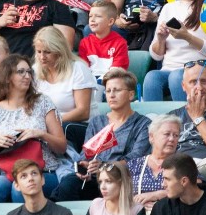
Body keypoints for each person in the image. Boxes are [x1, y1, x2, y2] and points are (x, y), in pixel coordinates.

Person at [0, 56, 68, 202]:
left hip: (42, 172)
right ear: (7, 77)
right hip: (7, 172)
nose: (27, 76)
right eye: (21, 72)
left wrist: (40, 134)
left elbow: (61, 147)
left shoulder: (43, 102)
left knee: (21, 190)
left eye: (29, 72)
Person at [58, 69, 151, 201]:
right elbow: (87, 154)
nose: (111, 95)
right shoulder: (97, 122)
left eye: (117, 90)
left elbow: (136, 160)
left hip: (122, 180)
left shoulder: (143, 124)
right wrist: (85, 166)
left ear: (131, 95)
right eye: (108, 91)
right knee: (68, 184)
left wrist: (103, 166)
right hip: (94, 179)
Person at [33, 26, 97, 124]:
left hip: (77, 126)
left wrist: (51, 122)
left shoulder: (78, 68)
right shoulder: (35, 70)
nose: (42, 57)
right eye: (39, 52)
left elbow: (83, 112)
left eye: (47, 52)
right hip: (46, 127)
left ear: (59, 51)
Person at [128, 114, 181, 210]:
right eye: (167, 134)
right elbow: (118, 192)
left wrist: (158, 194)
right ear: (151, 137)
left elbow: (194, 187)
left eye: (176, 135)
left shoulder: (182, 163)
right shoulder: (134, 164)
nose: (172, 139)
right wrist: (135, 203)